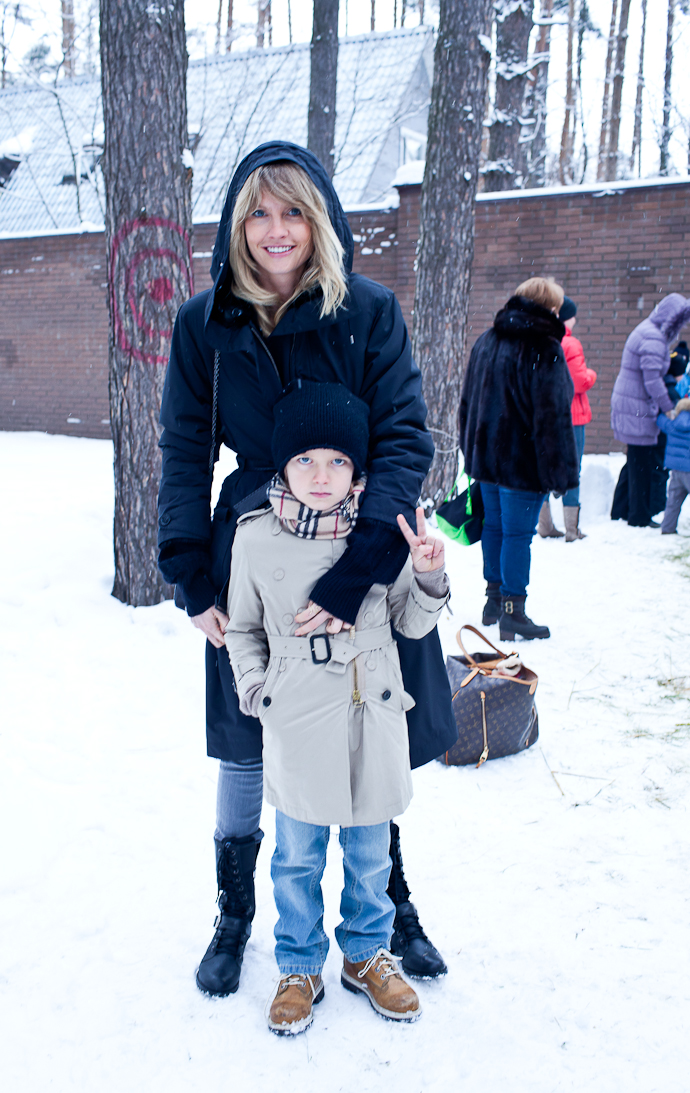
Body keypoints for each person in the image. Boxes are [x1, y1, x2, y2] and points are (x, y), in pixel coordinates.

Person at [157, 143, 455, 1000]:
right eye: (258, 212)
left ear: (319, 218)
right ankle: (236, 912)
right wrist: (190, 573)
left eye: (292, 210)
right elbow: (184, 449)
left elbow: (404, 438)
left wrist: (362, 568)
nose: (276, 229)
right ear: (236, 225)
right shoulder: (204, 325)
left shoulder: (369, 311)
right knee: (248, 734)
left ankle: (388, 909)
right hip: (257, 560)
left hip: (367, 552)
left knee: (371, 729)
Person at [224, 381, 450, 1034]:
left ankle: (366, 953)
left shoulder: (381, 534)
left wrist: (428, 573)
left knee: (370, 854)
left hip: (372, 713)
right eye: (305, 460)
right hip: (297, 718)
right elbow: (242, 629)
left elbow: (411, 623)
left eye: (337, 461)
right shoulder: (255, 539)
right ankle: (298, 965)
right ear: (283, 464)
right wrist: (258, 690)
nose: (321, 476)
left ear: (356, 468)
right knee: (297, 855)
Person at [459, 277, 578, 641]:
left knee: (495, 528)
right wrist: (561, 473)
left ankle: (494, 602)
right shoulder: (544, 347)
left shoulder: (487, 340)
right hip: (523, 461)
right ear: (549, 308)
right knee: (517, 536)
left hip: (488, 459)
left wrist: (471, 448)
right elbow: (553, 417)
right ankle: (513, 612)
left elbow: (467, 402)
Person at [610, 294, 690, 527]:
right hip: (637, 406)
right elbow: (653, 380)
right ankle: (639, 516)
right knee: (641, 462)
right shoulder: (653, 338)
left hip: (632, 402)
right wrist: (669, 408)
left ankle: (621, 510)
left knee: (634, 459)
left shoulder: (647, 330)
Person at [538, 295, 597, 542]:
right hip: (572, 416)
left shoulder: (543, 340)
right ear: (566, 317)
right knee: (572, 469)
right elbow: (579, 381)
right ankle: (572, 530)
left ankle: (544, 525)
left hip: (548, 415)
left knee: (544, 468)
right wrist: (592, 374)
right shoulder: (571, 343)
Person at [657, 396, 690, 534]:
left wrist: (665, 413)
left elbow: (660, 420)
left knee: (673, 501)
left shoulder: (672, 425)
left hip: (676, 470)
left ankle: (667, 527)